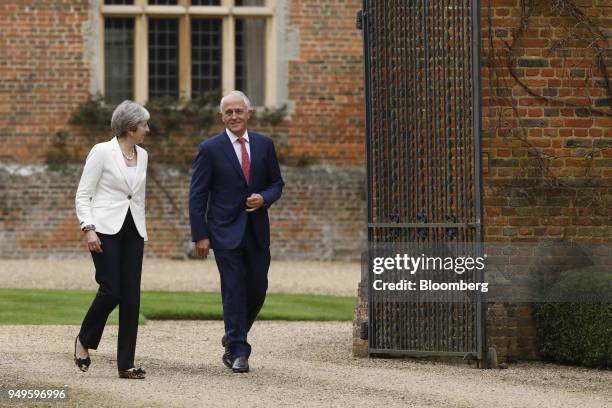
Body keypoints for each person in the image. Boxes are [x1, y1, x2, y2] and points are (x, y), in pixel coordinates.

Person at [189, 90, 284, 373]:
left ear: (248, 114)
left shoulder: (264, 145)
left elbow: (277, 183)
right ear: (222, 117)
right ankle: (238, 350)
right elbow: (197, 196)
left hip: (257, 231)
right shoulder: (210, 148)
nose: (233, 117)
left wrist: (264, 198)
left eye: (238, 111)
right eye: (228, 112)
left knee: (258, 288)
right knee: (233, 289)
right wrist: (201, 235)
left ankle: (234, 333)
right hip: (223, 232)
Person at [73, 100, 150, 379]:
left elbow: (136, 197)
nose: (147, 129)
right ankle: (84, 339)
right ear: (130, 127)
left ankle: (126, 364)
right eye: (144, 125)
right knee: (111, 290)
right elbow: (84, 194)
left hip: (134, 231)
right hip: (104, 229)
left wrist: (142, 229)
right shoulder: (102, 152)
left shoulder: (143, 155)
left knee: (131, 296)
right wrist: (88, 228)